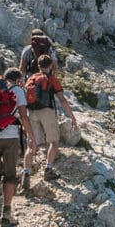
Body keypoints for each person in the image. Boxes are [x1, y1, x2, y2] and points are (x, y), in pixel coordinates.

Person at [0, 68, 36, 227]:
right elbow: (23, 116)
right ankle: (7, 213)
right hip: (10, 135)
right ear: (18, 80)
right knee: (10, 174)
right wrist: (31, 136)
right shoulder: (17, 90)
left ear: (4, 77)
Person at [20, 55, 78, 190]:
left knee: (32, 145)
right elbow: (62, 100)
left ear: (38, 66)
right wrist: (72, 118)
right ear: (51, 66)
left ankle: (26, 173)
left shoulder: (31, 79)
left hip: (31, 112)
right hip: (47, 112)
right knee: (54, 142)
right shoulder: (52, 79)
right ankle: (48, 170)